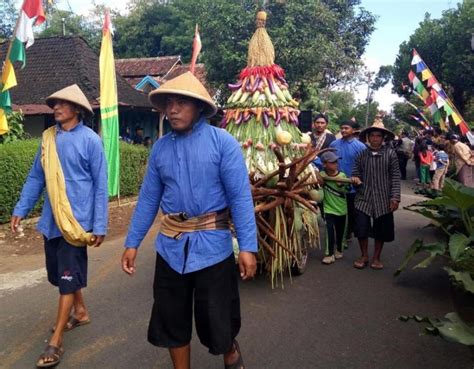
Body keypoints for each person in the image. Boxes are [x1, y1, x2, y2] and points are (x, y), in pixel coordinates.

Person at [121, 71, 257, 369]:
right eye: (169, 103)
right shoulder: (160, 148)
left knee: (217, 320)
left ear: (199, 108)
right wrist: (132, 243)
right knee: (171, 319)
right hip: (170, 248)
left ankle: (230, 351)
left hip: (213, 247)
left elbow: (240, 198)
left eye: (181, 103)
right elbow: (147, 199)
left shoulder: (223, 144)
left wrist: (248, 247)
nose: (172, 109)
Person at [10, 84, 108, 368]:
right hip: (52, 222)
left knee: (66, 277)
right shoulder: (47, 139)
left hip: (77, 223)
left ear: (76, 109)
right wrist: (21, 208)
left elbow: (101, 185)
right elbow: (35, 179)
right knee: (59, 275)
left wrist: (99, 223)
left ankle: (56, 341)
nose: (56, 108)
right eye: (54, 104)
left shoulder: (91, 141)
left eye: (62, 104)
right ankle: (80, 310)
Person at [351, 121, 401, 270]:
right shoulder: (361, 154)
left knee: (381, 230)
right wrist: (355, 179)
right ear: (367, 137)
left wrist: (395, 197)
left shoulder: (390, 154)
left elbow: (396, 176)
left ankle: (376, 258)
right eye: (372, 135)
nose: (375, 138)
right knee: (361, 228)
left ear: (383, 137)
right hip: (363, 197)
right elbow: (355, 172)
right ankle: (364, 255)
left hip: (383, 198)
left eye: (378, 136)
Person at [329, 120, 366, 242]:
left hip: (352, 186)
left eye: (346, 128)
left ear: (353, 130)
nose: (343, 130)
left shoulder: (360, 147)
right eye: (342, 128)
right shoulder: (334, 144)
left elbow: (364, 166)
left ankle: (348, 233)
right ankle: (337, 233)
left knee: (351, 212)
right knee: (335, 211)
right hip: (335, 184)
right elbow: (328, 161)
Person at [319, 152, 355, 264]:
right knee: (329, 231)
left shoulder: (342, 176)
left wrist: (342, 185)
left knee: (340, 232)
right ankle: (329, 254)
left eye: (336, 161)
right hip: (328, 208)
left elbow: (348, 190)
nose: (336, 164)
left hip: (341, 209)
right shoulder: (321, 175)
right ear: (324, 164)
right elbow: (316, 177)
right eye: (332, 162)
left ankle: (339, 249)